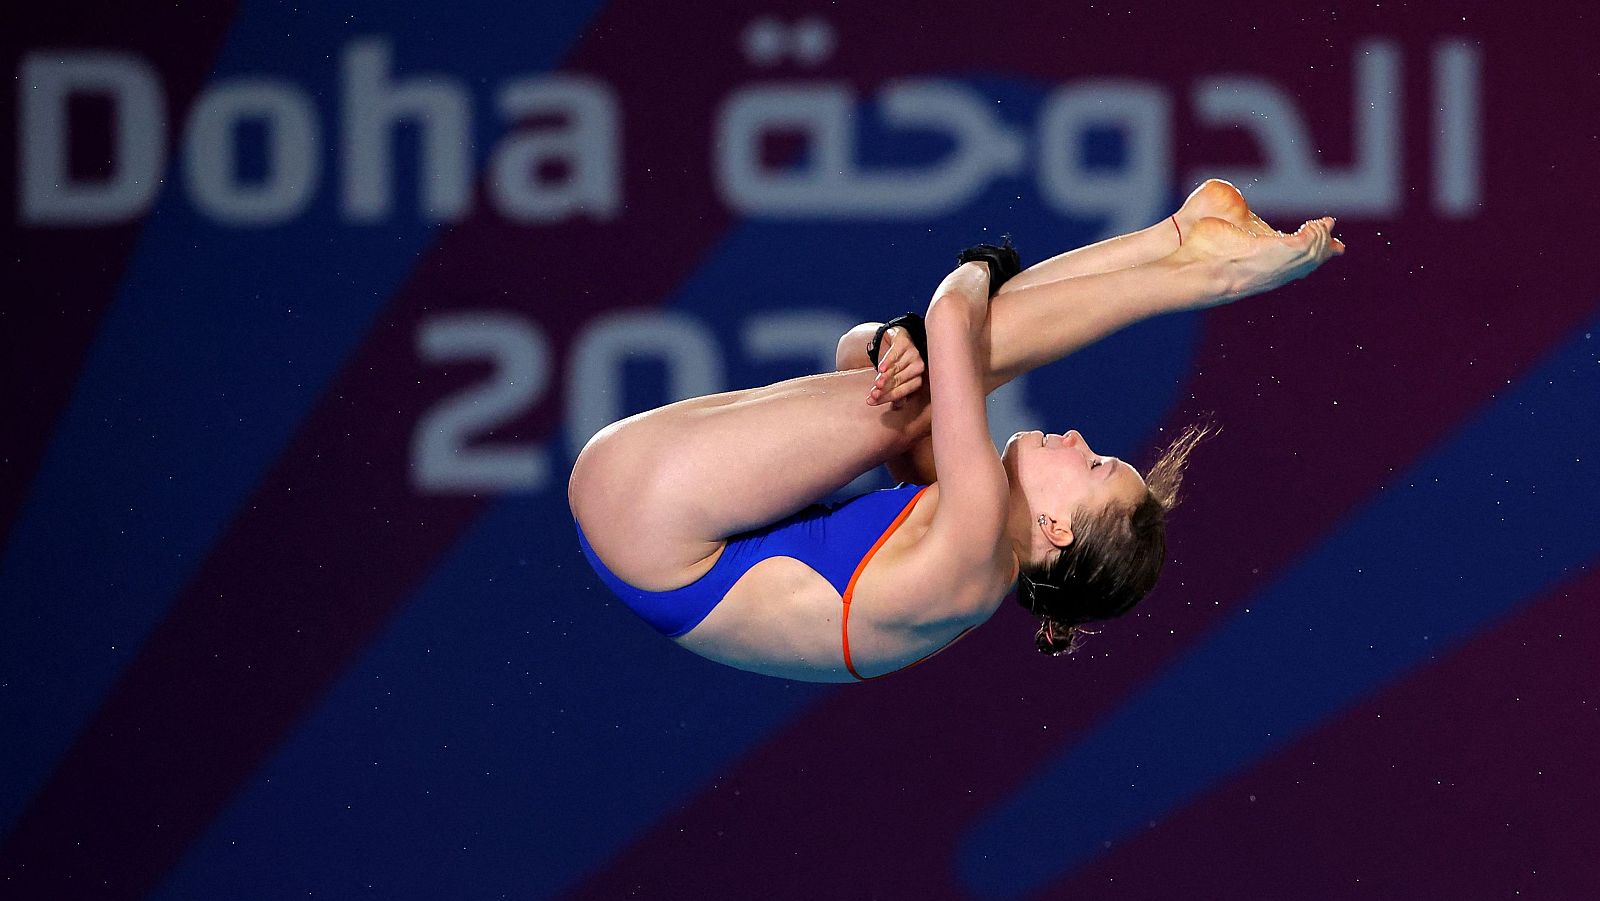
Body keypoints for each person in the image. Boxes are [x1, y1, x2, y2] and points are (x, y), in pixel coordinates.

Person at [568, 180, 1344, 682]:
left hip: (650, 520)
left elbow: (948, 315)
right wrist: (894, 344)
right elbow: (860, 363)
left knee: (950, 372)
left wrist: (985, 263)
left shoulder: (975, 540)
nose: (1076, 436)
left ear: (1056, 528)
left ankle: (1194, 262)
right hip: (642, 529)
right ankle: (1181, 244)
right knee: (934, 385)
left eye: (1096, 462)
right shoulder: (973, 554)